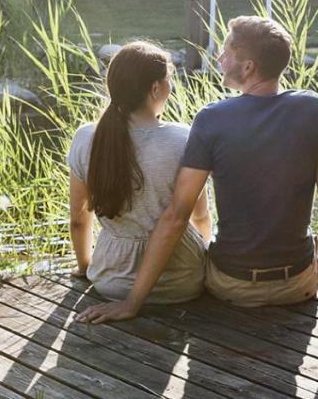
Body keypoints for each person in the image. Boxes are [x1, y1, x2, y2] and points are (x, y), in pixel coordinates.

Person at [77, 16, 318, 330]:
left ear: (248, 67)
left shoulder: (211, 119)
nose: (219, 57)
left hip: (231, 286)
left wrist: (131, 303)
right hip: (299, 285)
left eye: (228, 51)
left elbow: (177, 216)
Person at [67, 40, 210, 303]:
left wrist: (85, 267)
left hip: (111, 280)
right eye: (169, 80)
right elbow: (200, 218)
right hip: (182, 282)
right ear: (156, 88)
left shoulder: (86, 137)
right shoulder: (185, 139)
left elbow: (78, 220)